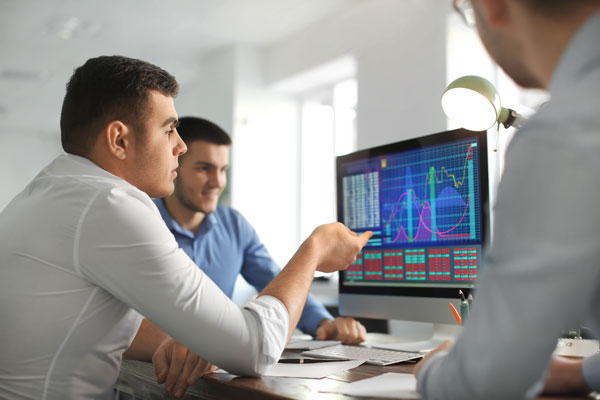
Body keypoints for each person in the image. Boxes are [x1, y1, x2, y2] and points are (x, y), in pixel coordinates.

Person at [0, 55, 371, 400]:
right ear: (119, 140)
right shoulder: (111, 203)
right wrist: (316, 248)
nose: (179, 146)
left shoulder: (44, 193)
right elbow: (254, 349)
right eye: (169, 130)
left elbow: (92, 325)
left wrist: (195, 337)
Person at [414, 0, 600, 398]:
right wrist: (582, 374)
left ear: (492, 6)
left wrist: (432, 369)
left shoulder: (565, 132)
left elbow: (483, 385)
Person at [154, 116, 367, 344]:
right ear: (174, 164)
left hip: (210, 361)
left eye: (223, 169)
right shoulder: (145, 220)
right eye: (204, 169)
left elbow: (276, 280)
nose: (217, 182)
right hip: (148, 362)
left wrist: (324, 323)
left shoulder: (234, 226)